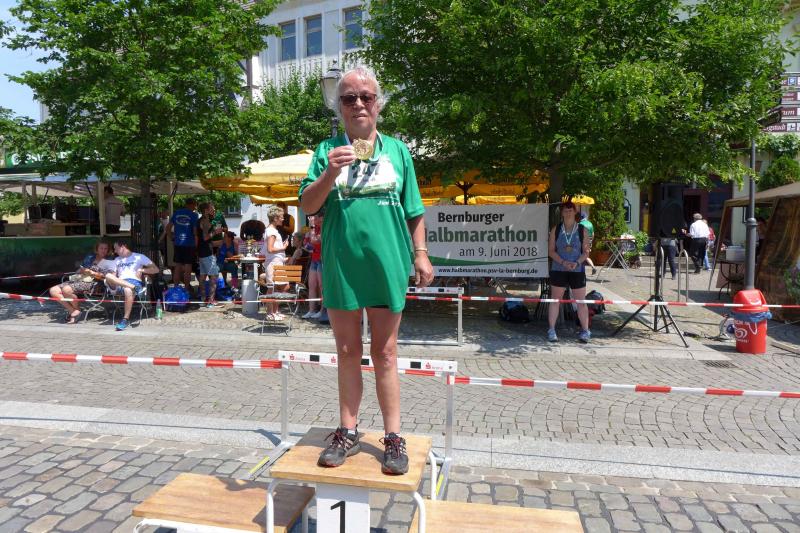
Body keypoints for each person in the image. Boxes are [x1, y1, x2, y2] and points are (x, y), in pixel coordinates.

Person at [299, 65, 433, 475]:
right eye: (348, 98)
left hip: (387, 263)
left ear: (378, 104)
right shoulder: (327, 150)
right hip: (342, 264)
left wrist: (421, 253)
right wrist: (329, 172)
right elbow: (308, 206)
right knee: (346, 351)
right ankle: (347, 429)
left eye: (366, 97)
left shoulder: (398, 151)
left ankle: (393, 437)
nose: (358, 103)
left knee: (386, 352)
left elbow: (414, 209)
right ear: (338, 106)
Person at [547, 201, 591, 343]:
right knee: (555, 300)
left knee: (581, 302)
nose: (568, 212)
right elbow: (551, 251)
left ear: (575, 212)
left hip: (577, 270)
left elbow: (586, 252)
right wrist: (563, 262)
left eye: (570, 210)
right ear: (562, 213)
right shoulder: (556, 229)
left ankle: (585, 331)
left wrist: (577, 262)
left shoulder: (582, 230)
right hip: (559, 269)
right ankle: (551, 330)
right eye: (565, 210)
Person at [49, 241, 114, 324]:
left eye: (105, 248)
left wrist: (93, 273)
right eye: (101, 248)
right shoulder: (90, 257)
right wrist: (77, 273)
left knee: (66, 290)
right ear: (97, 249)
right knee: (53, 290)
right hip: (81, 278)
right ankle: (73, 311)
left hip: (94, 282)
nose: (103, 250)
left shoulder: (110, 260)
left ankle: (75, 312)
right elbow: (81, 268)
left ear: (108, 250)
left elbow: (108, 276)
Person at [105, 241, 159, 331]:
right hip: (121, 282)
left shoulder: (139, 257)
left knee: (128, 290)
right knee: (108, 276)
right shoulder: (116, 260)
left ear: (123, 247)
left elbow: (156, 269)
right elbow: (113, 276)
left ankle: (125, 319)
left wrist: (142, 270)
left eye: (116, 248)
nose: (115, 251)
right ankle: (134, 288)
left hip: (134, 281)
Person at [160, 198, 199, 293]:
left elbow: (168, 228)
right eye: (195, 206)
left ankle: (176, 288)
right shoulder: (194, 215)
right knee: (188, 267)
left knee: (178, 266)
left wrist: (172, 238)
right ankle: (186, 289)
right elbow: (195, 232)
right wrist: (196, 245)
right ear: (192, 205)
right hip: (189, 244)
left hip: (178, 243)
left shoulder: (177, 213)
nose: (195, 208)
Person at [258, 205, 290, 320]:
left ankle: (275, 311)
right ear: (275, 218)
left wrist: (282, 257)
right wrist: (283, 248)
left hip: (276, 262)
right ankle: (270, 313)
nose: (283, 219)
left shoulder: (272, 230)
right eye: (281, 217)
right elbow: (270, 249)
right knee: (273, 288)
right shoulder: (271, 231)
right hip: (273, 264)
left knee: (279, 287)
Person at [198, 202, 222, 307]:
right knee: (214, 276)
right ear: (206, 210)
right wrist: (216, 232)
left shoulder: (200, 220)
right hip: (207, 253)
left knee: (203, 276)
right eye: (212, 209)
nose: (214, 210)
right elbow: (205, 238)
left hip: (202, 252)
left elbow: (203, 240)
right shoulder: (206, 221)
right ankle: (211, 300)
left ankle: (203, 298)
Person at [302, 213, 324, 319]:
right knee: (312, 285)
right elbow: (306, 244)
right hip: (314, 259)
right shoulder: (314, 228)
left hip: (322, 259)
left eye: (314, 217)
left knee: (322, 286)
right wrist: (310, 231)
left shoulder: (322, 227)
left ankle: (322, 311)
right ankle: (311, 310)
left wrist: (311, 228)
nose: (312, 218)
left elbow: (314, 240)